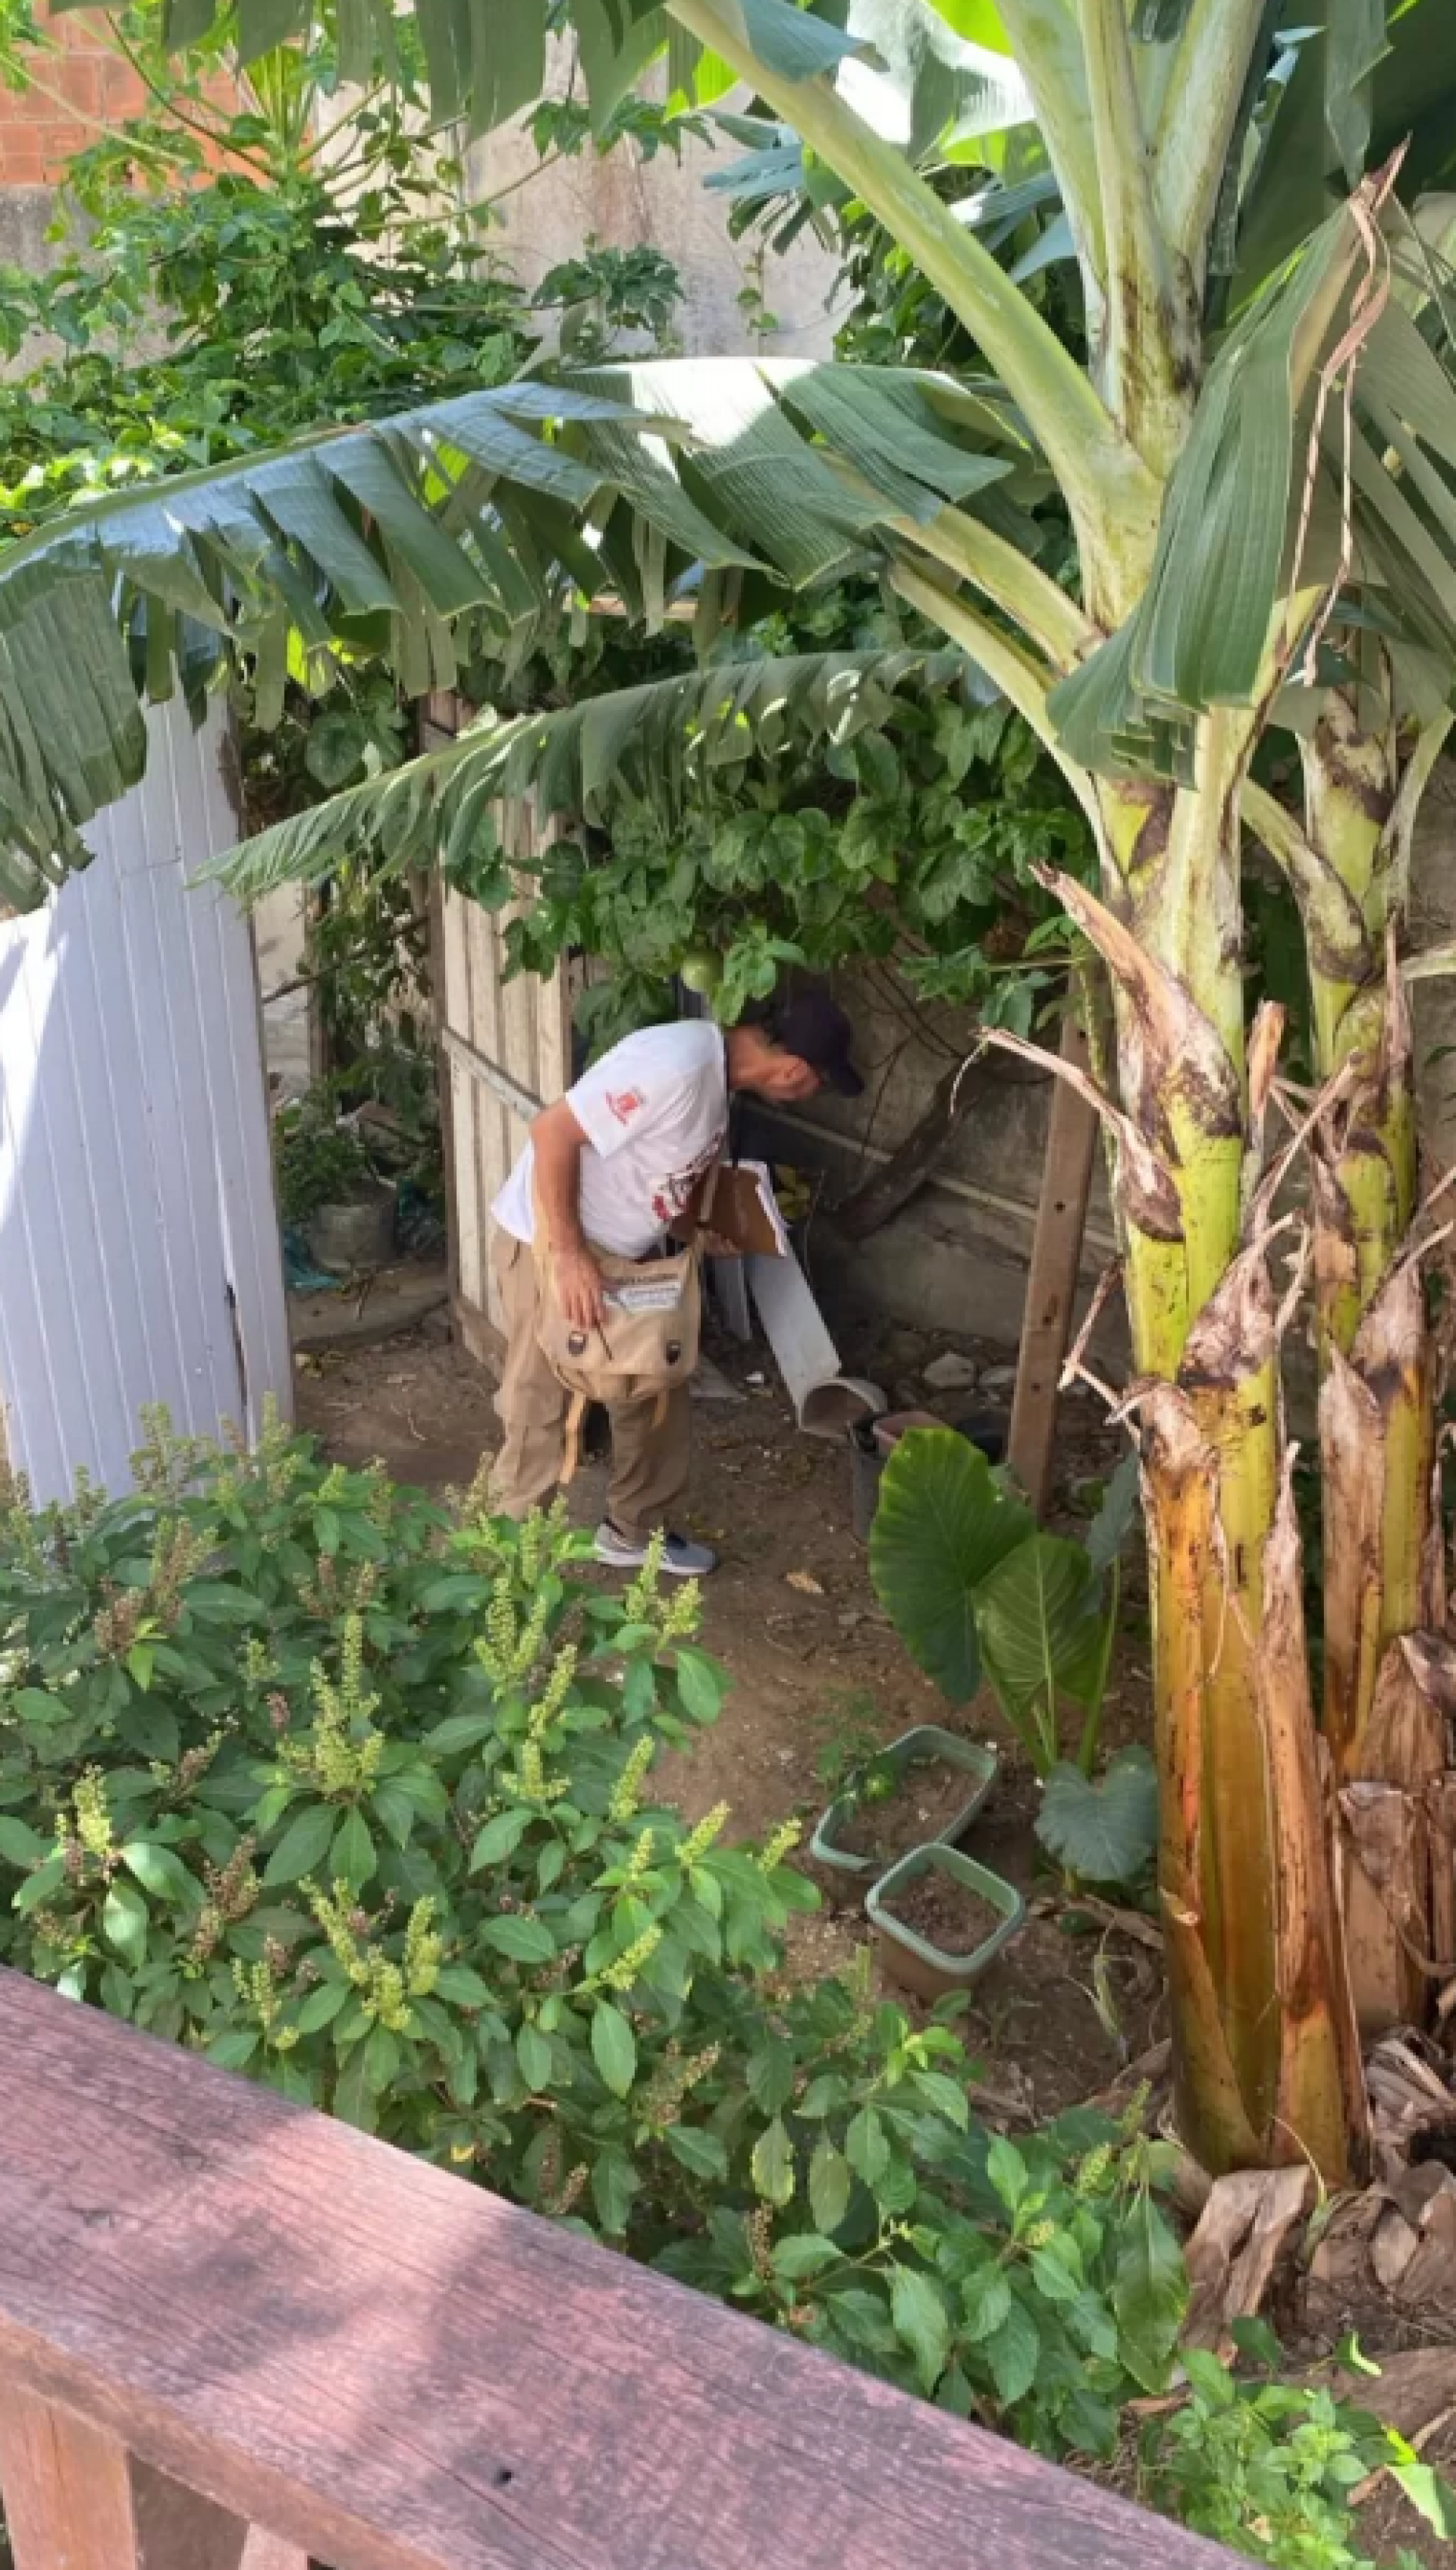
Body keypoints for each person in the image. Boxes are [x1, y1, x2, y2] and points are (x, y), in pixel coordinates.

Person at [488, 991, 863, 1576]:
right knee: (539, 1399)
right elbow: (552, 1134)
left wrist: (698, 1228)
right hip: (553, 1245)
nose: (810, 1095)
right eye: (818, 1083)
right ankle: (500, 1565)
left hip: (623, 1253)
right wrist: (568, 1256)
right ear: (793, 1071)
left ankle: (633, 1530)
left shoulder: (715, 1080)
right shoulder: (676, 1066)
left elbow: (654, 1167)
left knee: (656, 1386)